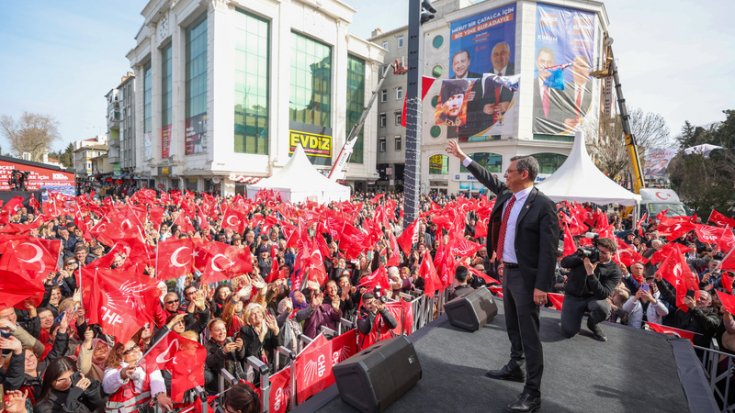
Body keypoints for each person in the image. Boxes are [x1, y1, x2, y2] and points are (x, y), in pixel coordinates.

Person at [446, 139, 559, 413]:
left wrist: (542, 286)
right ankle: (515, 366)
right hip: (507, 272)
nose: (505, 176)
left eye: (509, 172)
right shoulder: (507, 196)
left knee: (530, 334)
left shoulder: (543, 205)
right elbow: (487, 178)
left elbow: (548, 250)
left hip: (528, 279)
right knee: (512, 326)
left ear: (524, 174)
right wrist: (463, 157)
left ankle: (533, 393)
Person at [559, 237, 622, 341]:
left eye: (604, 253)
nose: (600, 254)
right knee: (568, 332)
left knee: (603, 308)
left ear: (612, 254)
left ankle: (592, 324)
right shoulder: (586, 254)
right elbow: (564, 263)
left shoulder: (615, 271)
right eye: (599, 251)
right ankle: (574, 316)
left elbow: (603, 293)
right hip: (573, 297)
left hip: (593, 298)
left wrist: (590, 273)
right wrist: (580, 257)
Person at [34, 357, 105, 413]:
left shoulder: (79, 388)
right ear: (50, 380)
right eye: (61, 379)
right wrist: (70, 402)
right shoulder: (44, 406)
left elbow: (100, 405)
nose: (68, 382)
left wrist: (91, 389)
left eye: (71, 377)